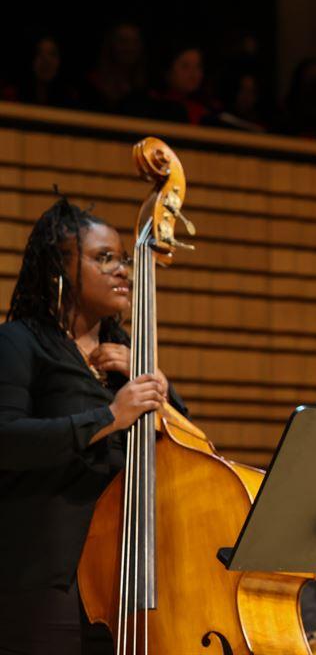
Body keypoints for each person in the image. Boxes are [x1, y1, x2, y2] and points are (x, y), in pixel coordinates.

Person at [0, 198, 182, 654]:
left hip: (125, 574)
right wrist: (108, 418)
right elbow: (7, 440)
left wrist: (165, 393)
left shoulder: (130, 355)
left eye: (123, 258)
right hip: (47, 575)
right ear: (59, 270)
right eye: (104, 258)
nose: (123, 269)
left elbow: (187, 453)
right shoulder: (20, 343)